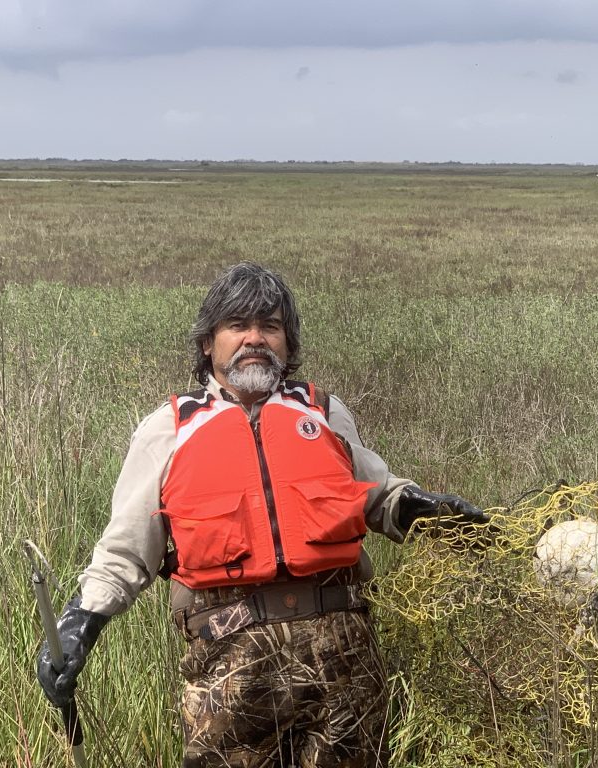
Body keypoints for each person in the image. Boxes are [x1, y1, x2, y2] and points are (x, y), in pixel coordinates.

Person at [37, 262, 488, 767]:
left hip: (345, 663)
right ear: (209, 342)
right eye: (238, 326)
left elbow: (378, 497)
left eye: (270, 326)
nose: (255, 339)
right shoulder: (167, 430)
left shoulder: (324, 412)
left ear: (288, 344)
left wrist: (425, 511)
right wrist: (80, 624)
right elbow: (125, 552)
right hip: (229, 669)